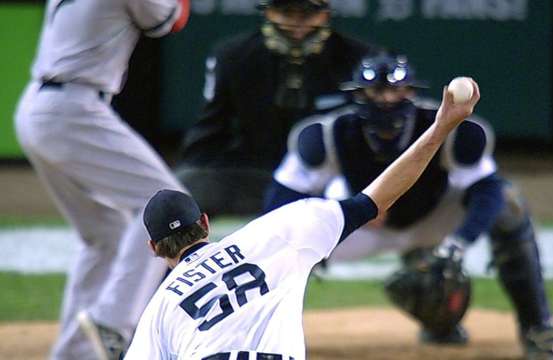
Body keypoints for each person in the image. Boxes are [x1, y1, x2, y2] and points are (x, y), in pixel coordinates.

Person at [123, 78, 480, 359]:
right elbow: (380, 194)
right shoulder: (275, 232)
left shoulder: (160, 307)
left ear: (154, 247)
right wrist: (439, 130)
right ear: (203, 222)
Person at [263, 53, 553, 359]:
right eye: (376, 92)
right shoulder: (327, 133)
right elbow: (280, 202)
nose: (386, 100)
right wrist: (331, 224)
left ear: (411, 92)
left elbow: (489, 190)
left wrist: (460, 243)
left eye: (395, 91)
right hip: (359, 226)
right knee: (282, 242)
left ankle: (536, 326)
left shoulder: (445, 123)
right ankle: (262, 336)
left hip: (432, 220)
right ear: (358, 95)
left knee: (509, 203)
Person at [14, 0, 190, 359]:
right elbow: (171, 20)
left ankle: (75, 352)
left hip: (40, 106)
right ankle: (114, 319)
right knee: (165, 199)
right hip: (73, 108)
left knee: (103, 234)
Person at [175, 0, 375, 216]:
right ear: (268, 11)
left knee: (354, 191)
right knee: (188, 183)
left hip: (328, 177)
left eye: (309, 12)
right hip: (258, 176)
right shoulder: (233, 56)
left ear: (325, 14)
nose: (297, 22)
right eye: (287, 11)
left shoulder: (361, 59)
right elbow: (206, 139)